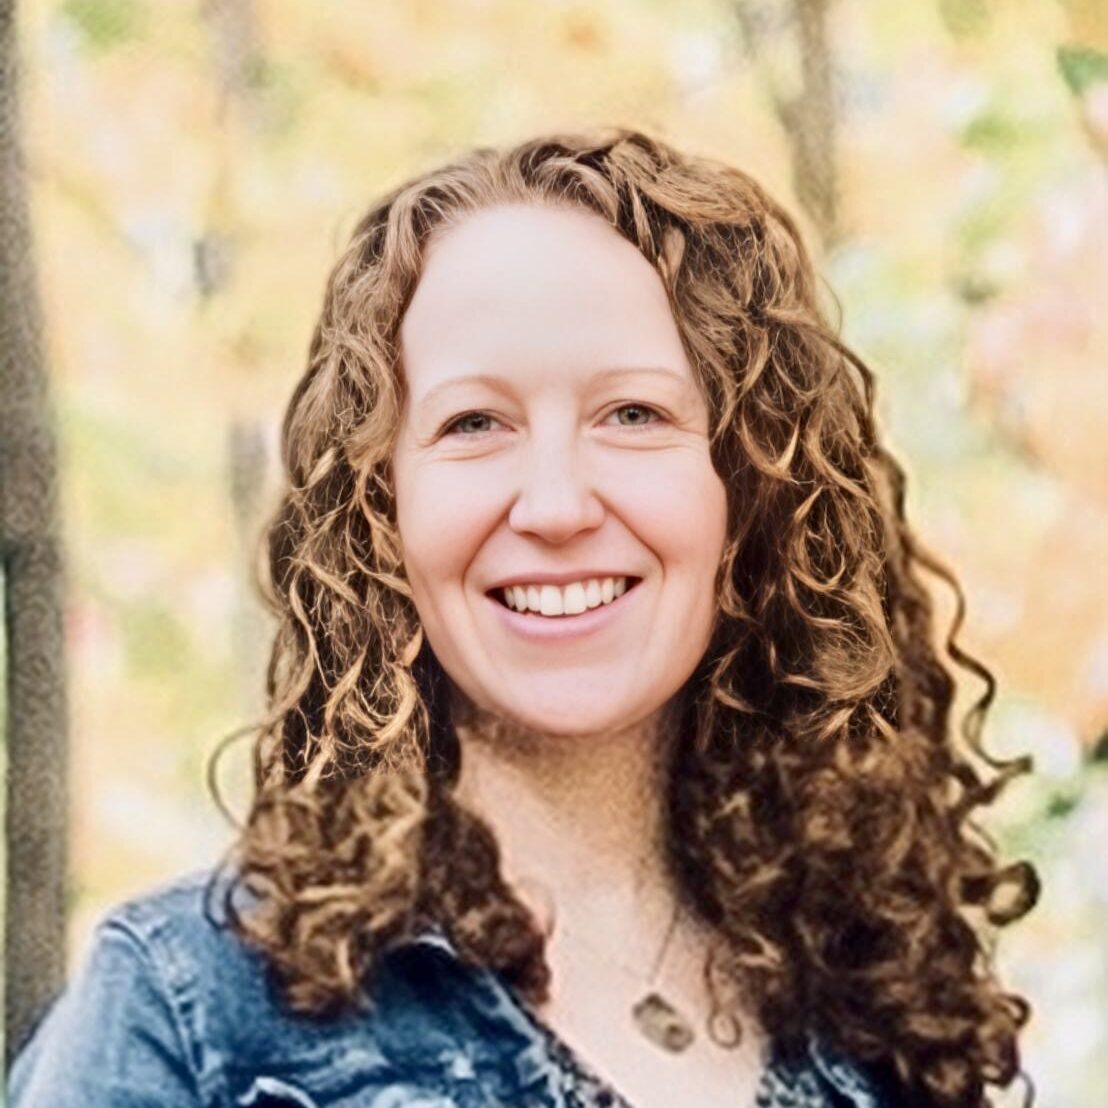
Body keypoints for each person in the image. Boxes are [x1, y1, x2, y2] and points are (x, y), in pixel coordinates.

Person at [8, 127, 1038, 1108]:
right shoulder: (193, 1010)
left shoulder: (879, 1012)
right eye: (474, 424)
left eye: (631, 414)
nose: (553, 505)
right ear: (381, 514)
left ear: (751, 492)